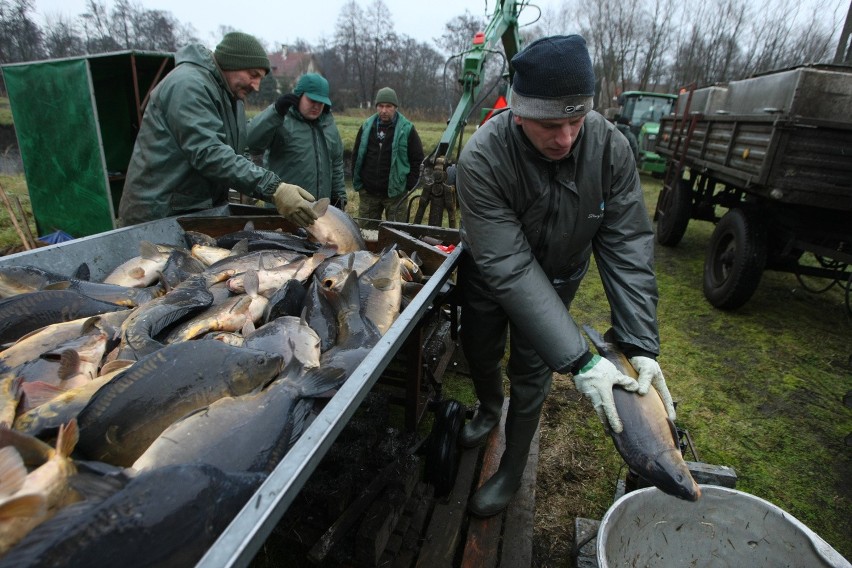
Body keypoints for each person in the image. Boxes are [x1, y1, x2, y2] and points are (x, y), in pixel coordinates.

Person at [455, 35, 676, 517]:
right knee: (480, 349)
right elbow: (509, 265)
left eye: (577, 121)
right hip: (491, 276)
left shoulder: (610, 148)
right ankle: (489, 408)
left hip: (558, 277)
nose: (566, 138)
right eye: (550, 125)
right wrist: (580, 358)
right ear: (518, 113)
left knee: (533, 373)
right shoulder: (482, 158)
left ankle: (511, 471)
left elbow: (626, 243)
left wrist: (640, 340)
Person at [118, 32, 317, 228]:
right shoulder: (188, 84)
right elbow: (209, 153)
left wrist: (250, 187)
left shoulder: (233, 98)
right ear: (232, 63)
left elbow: (233, 152)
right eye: (253, 75)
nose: (256, 86)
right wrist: (272, 188)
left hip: (195, 210)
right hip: (157, 215)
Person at [246, 73, 347, 210]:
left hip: (319, 213)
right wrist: (275, 111)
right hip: (282, 210)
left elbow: (336, 164)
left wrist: (338, 197)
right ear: (298, 96)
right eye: (312, 101)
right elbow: (250, 141)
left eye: (321, 103)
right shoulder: (280, 120)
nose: (316, 106)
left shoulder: (329, 126)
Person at [351, 87, 425, 229]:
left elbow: (417, 159)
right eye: (380, 106)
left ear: (395, 107)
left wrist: (408, 185)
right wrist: (358, 182)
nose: (384, 110)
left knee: (396, 235)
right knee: (366, 235)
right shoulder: (366, 126)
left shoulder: (407, 129)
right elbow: (356, 154)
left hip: (395, 195)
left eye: (388, 106)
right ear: (376, 107)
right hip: (369, 193)